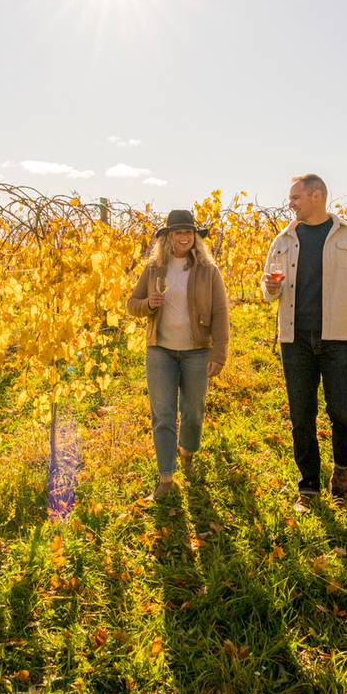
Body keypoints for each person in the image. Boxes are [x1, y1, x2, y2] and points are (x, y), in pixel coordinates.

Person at [261, 174, 347, 507]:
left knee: (344, 412)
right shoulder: (284, 239)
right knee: (301, 415)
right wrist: (271, 289)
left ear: (316, 196)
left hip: (339, 339)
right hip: (295, 339)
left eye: (295, 197)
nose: (290, 203)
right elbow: (267, 289)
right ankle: (308, 486)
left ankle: (342, 468)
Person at [126, 209, 231, 500]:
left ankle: (187, 452)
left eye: (189, 232)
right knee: (163, 414)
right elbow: (131, 304)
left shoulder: (208, 270)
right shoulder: (154, 268)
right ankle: (165, 476)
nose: (184, 236)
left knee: (193, 412)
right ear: (168, 237)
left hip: (197, 351)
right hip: (161, 350)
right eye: (178, 232)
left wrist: (219, 353)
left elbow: (221, 313)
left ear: (195, 237)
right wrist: (148, 303)